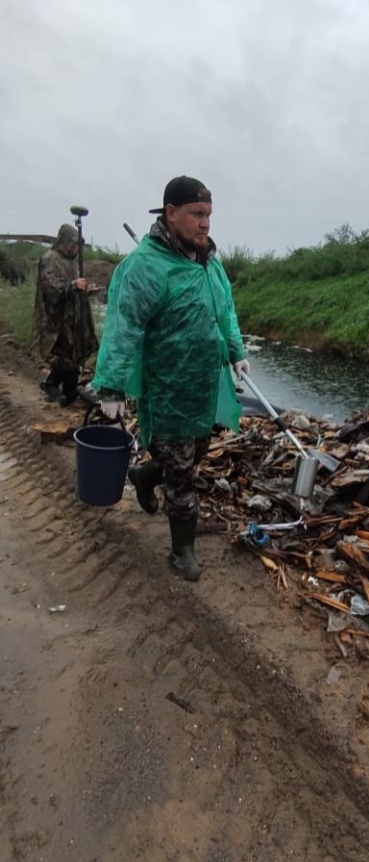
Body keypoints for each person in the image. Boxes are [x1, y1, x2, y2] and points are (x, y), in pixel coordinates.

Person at [92, 176, 250, 582]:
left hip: (202, 389)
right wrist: (110, 386)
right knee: (183, 476)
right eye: (197, 214)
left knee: (192, 454)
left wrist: (236, 352)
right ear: (171, 213)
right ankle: (183, 552)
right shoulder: (146, 267)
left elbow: (225, 309)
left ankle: (145, 475)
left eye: (209, 215)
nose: (205, 224)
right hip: (166, 391)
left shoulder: (209, 262)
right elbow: (123, 325)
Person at [31, 224, 99, 406]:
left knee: (76, 352)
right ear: (66, 242)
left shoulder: (72, 262)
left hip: (74, 315)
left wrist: (85, 290)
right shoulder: (50, 259)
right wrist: (72, 285)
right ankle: (51, 383)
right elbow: (49, 286)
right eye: (74, 245)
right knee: (64, 353)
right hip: (59, 316)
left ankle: (69, 392)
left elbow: (74, 286)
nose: (77, 249)